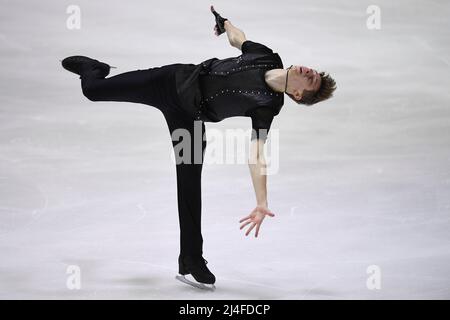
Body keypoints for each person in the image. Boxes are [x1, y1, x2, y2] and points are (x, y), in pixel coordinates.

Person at [60, 5, 337, 290]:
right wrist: (225, 22)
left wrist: (262, 201)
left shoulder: (267, 106)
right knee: (93, 90)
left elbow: (256, 154)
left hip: (189, 119)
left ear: (298, 93)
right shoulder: (267, 56)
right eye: (314, 71)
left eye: (311, 79)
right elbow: (238, 39)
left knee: (190, 184)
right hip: (169, 82)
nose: (310, 71)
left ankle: (191, 260)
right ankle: (92, 69)